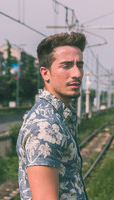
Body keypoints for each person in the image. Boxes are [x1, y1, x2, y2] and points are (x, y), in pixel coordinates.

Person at [16, 32, 88, 200]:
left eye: (80, 65)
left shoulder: (59, 117)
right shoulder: (45, 126)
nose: (77, 73)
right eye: (66, 65)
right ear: (45, 73)